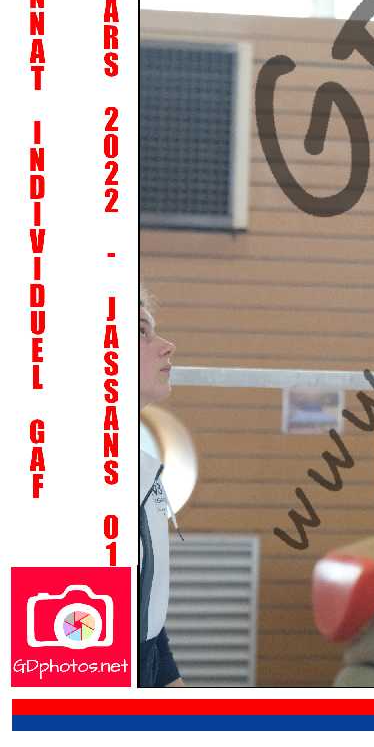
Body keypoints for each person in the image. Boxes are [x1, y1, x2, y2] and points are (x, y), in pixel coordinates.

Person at [139, 286, 184, 687]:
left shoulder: (141, 466)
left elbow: (145, 610)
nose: (167, 346)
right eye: (142, 332)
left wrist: (171, 684)